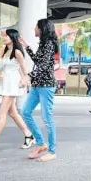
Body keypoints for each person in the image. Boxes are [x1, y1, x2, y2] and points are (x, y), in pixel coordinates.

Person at [0, 29, 35, 155]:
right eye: (4, 35)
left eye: (7, 36)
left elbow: (24, 70)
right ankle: (29, 135)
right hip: (5, 84)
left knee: (1, 114)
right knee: (13, 113)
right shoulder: (5, 50)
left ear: (13, 37)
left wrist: (26, 82)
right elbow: (3, 67)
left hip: (12, 85)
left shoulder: (17, 52)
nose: (4, 37)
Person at [19, 19, 58, 162]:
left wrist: (27, 76)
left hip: (46, 86)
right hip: (37, 85)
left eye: (36, 26)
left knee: (47, 119)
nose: (34, 28)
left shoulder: (49, 44)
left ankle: (52, 151)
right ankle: (41, 144)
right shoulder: (44, 44)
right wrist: (27, 47)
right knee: (25, 112)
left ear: (42, 28)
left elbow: (43, 67)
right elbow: (38, 62)